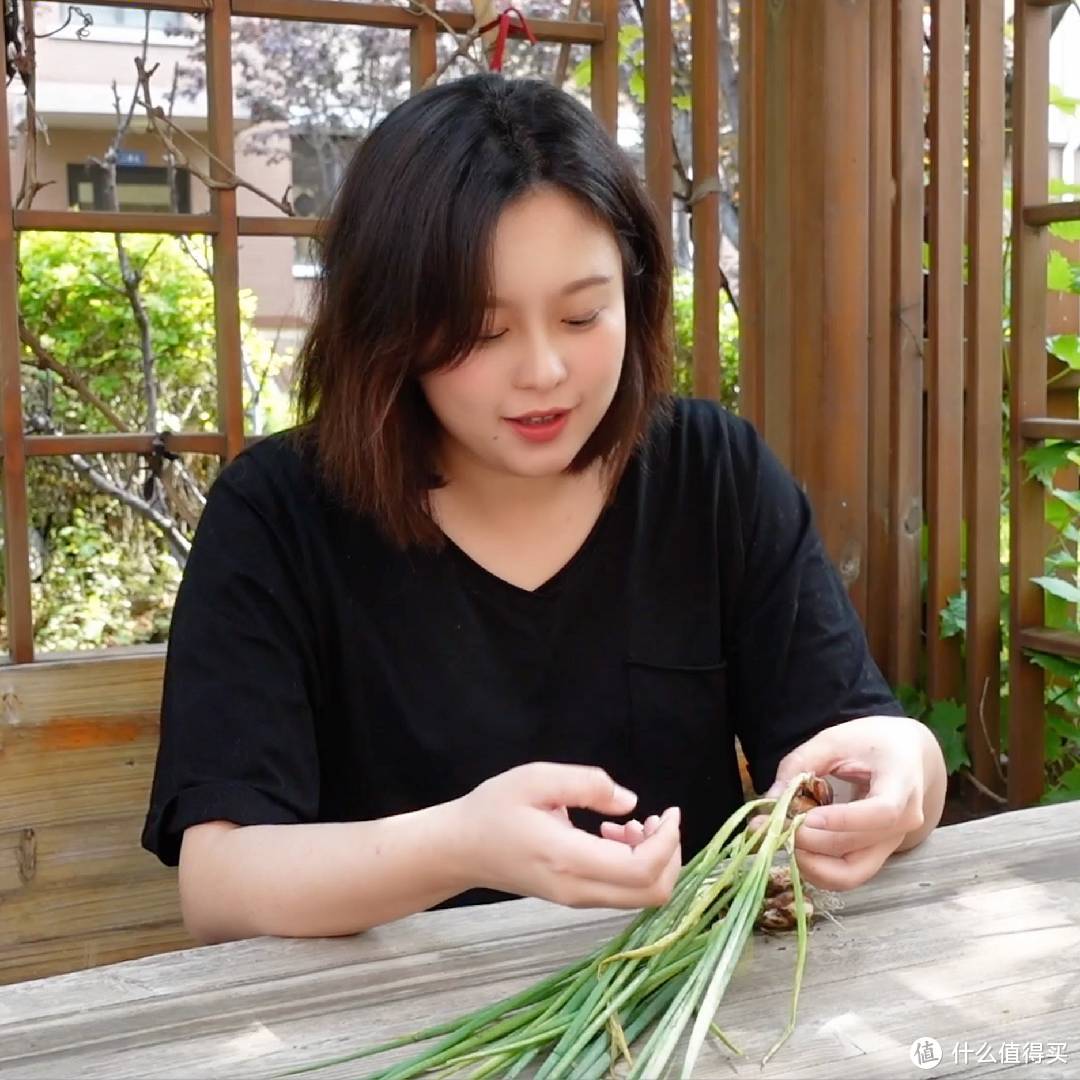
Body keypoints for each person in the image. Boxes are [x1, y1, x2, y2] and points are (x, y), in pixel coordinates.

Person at [141, 73, 947, 946]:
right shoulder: (279, 514)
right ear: (390, 327)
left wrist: (906, 772)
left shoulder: (709, 472)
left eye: (582, 315)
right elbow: (220, 886)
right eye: (483, 332)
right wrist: (459, 847)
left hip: (685, 1009)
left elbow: (858, 735)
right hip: (396, 1030)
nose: (544, 373)